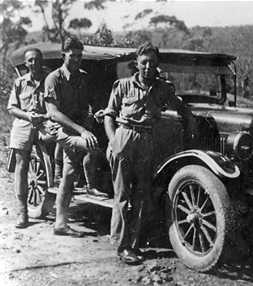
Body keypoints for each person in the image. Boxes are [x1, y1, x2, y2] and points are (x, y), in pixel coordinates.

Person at [103, 42, 198, 264]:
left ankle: (134, 245)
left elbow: (180, 106)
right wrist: (113, 141)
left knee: (142, 194)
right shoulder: (123, 85)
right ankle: (121, 246)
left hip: (146, 140)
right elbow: (109, 114)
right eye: (144, 62)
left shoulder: (163, 88)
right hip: (124, 138)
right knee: (122, 194)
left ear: (158, 65)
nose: (147, 67)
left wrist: (190, 119)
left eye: (152, 63)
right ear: (136, 64)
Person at [44, 37, 107, 237]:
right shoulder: (54, 78)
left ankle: (60, 224)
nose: (77, 59)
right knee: (92, 146)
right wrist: (82, 130)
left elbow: (89, 104)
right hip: (59, 128)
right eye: (73, 56)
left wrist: (97, 113)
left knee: (69, 175)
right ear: (64, 55)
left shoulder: (84, 77)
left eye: (80, 56)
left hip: (78, 127)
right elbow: (53, 113)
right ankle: (91, 186)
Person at [7, 48, 49, 228]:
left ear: (42, 61)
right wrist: (27, 116)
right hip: (25, 122)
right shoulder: (20, 83)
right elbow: (12, 108)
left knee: (58, 141)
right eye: (30, 60)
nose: (34, 63)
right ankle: (23, 212)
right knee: (22, 165)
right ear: (26, 64)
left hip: (46, 122)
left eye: (37, 60)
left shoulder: (51, 80)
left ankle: (56, 179)